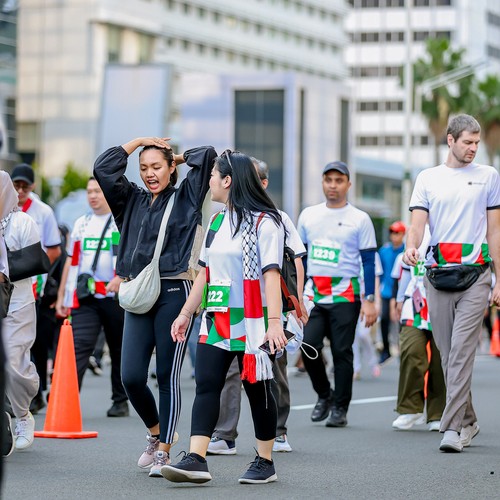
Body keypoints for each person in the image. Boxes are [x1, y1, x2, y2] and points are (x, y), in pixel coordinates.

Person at [94, 137, 217, 477]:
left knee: (166, 374)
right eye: (144, 168)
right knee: (131, 376)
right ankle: (156, 431)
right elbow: (103, 168)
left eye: (157, 167)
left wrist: (174, 156)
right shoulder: (130, 199)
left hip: (175, 290)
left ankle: (164, 451)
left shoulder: (187, 196)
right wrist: (139, 143)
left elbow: (207, 155)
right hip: (138, 292)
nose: (150, 173)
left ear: (170, 168)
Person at [163, 150, 286, 485]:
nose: (210, 182)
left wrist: (275, 323)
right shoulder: (217, 221)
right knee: (207, 385)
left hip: (254, 321)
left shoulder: (265, 223)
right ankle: (197, 459)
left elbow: (271, 275)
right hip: (216, 317)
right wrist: (186, 313)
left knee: (258, 388)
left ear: (228, 180)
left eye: (213, 176)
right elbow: (204, 272)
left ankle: (265, 461)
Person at [404, 114, 500, 453]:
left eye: (477, 143)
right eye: (467, 142)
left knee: (460, 352)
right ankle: (469, 420)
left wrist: (499, 279)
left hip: (476, 276)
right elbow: (417, 226)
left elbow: (495, 232)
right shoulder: (428, 178)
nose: (474, 148)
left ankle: (452, 428)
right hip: (437, 275)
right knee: (447, 356)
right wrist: (411, 247)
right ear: (450, 140)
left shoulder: (489, 176)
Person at [207, 157, 307, 456]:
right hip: (228, 310)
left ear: (262, 183)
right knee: (227, 374)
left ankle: (277, 432)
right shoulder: (221, 218)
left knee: (270, 371)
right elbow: (206, 268)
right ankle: (224, 434)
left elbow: (293, 261)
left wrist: (296, 302)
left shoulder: (275, 218)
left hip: (264, 310)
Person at [297, 161, 377, 428]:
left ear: (348, 185)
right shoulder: (309, 215)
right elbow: (300, 259)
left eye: (339, 180)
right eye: (328, 180)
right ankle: (325, 395)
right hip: (314, 293)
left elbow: (368, 261)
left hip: (345, 293)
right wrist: (296, 294)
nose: (333, 185)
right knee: (308, 345)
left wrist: (370, 300)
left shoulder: (360, 218)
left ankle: (340, 408)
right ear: (322, 182)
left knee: (342, 352)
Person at [55, 177, 128, 417]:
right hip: (86, 297)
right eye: (89, 192)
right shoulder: (81, 224)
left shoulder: (121, 222)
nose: (93, 196)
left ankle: (120, 401)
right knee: (79, 346)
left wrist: (122, 279)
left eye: (97, 191)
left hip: (115, 297)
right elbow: (71, 260)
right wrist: (63, 296)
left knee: (119, 349)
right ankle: (67, 401)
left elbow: (131, 258)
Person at [10, 163, 62, 414]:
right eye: (16, 185)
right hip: (8, 285)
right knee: (14, 343)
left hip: (34, 285)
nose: (20, 191)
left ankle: (37, 392)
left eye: (25, 186)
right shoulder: (5, 208)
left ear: (32, 187)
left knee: (37, 341)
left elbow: (54, 249)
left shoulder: (42, 212)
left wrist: (34, 269)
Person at [0, 170, 41, 451]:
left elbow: (34, 262)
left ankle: (23, 414)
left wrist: (4, 273)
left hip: (18, 303)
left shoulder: (22, 222)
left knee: (14, 364)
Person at [391, 226, 446, 431]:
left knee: (440, 360)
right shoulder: (416, 231)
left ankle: (438, 413)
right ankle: (410, 409)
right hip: (415, 303)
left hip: (444, 301)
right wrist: (399, 299)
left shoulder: (451, 228)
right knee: (411, 351)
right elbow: (407, 270)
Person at [377, 220, 406, 364]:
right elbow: (379, 272)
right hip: (387, 292)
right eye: (392, 232)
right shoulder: (384, 251)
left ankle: (403, 349)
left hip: (402, 292)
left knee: (402, 321)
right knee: (384, 319)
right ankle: (386, 349)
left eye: (397, 233)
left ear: (403, 234)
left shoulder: (406, 250)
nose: (394, 235)